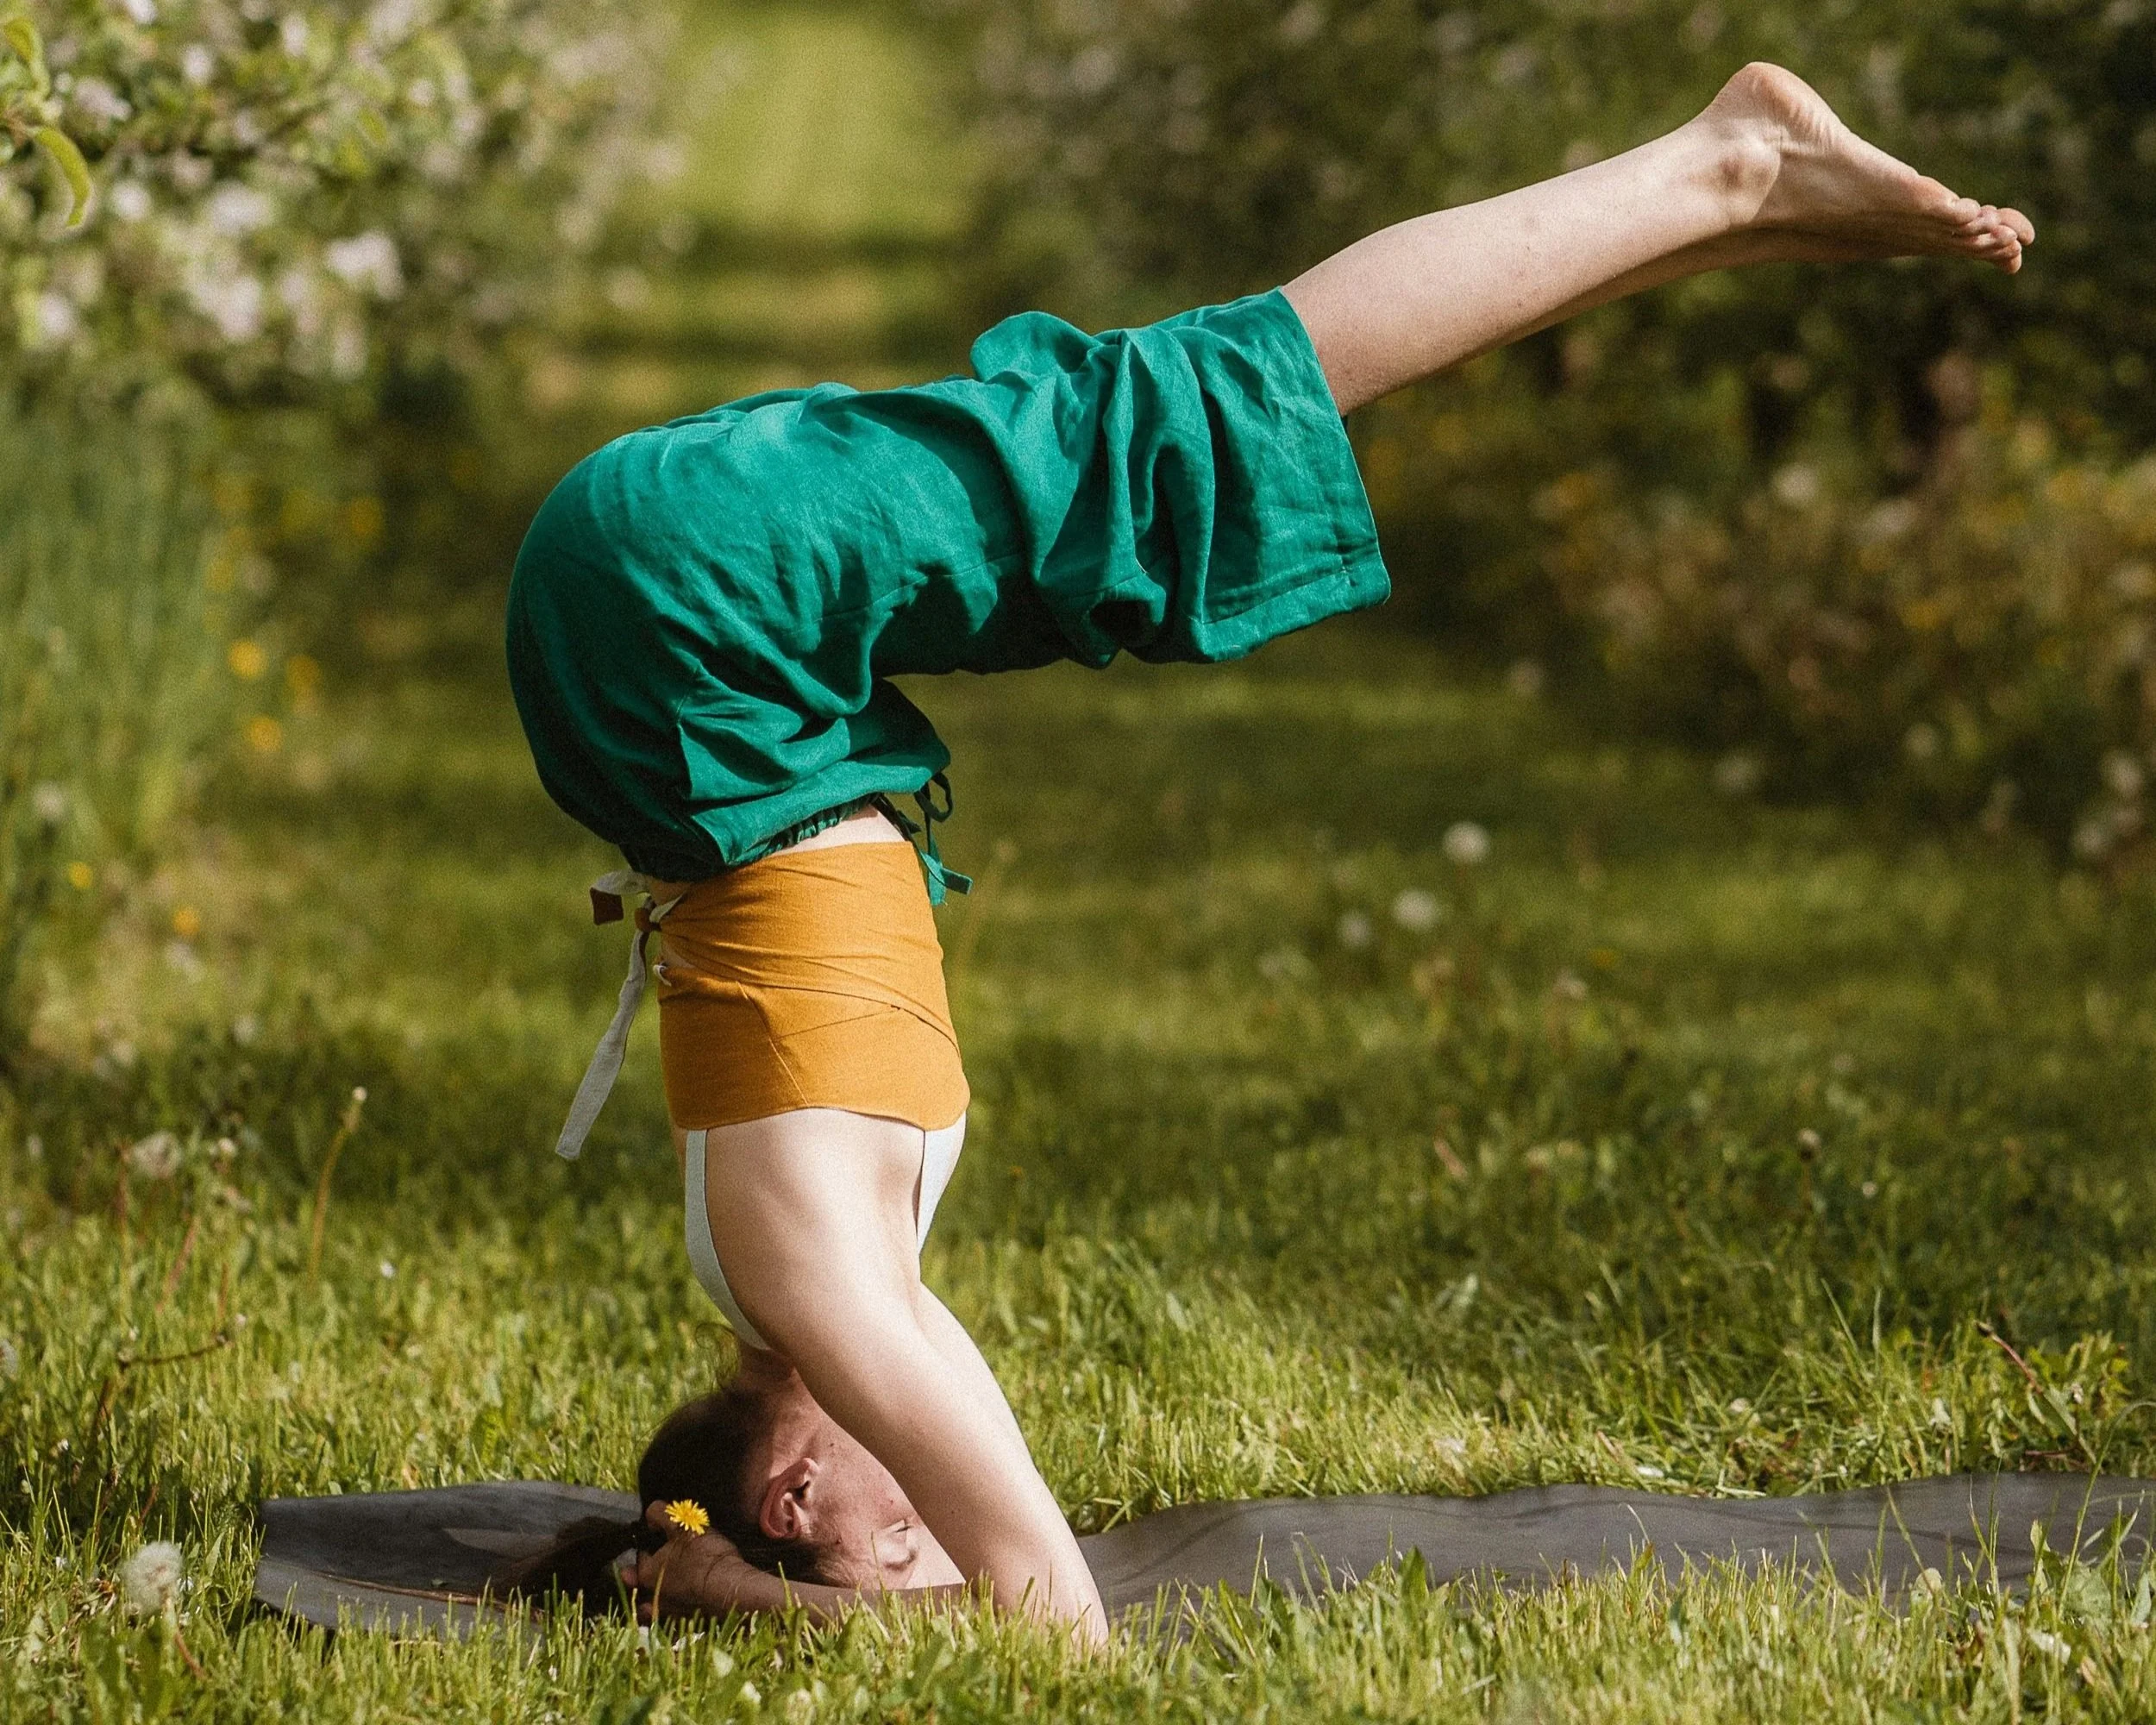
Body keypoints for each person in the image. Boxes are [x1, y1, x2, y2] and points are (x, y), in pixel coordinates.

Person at [503, 64, 2031, 1640]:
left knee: (1186, 428)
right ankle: (1741, 207)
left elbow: (1048, 1622)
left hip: (683, 622)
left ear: (796, 1501)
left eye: (897, 1556)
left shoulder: (813, 1284)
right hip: (689, 650)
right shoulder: (792, 1282)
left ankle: (1731, 169)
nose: (937, 1539)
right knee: (1157, 433)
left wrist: (720, 1590)